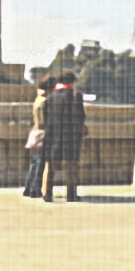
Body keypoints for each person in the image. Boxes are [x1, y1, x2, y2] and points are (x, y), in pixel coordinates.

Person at [39, 70, 87, 202]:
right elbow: (81, 117)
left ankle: (46, 193)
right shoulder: (75, 96)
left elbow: (46, 117)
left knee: (50, 166)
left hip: (52, 134)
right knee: (71, 166)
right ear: (71, 82)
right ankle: (71, 194)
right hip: (70, 135)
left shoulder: (50, 97)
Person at [21, 75, 56, 197]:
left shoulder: (38, 99)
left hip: (35, 132)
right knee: (41, 162)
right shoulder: (47, 101)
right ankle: (36, 189)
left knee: (35, 162)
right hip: (43, 133)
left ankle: (28, 188)